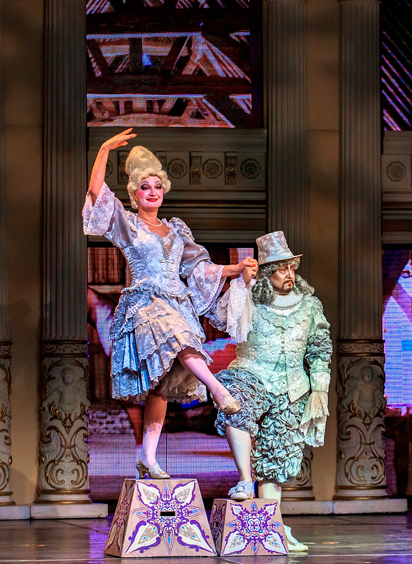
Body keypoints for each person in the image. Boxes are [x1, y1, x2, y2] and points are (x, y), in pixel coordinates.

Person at [82, 128, 257, 479]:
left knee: (162, 386)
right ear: (134, 194)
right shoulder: (128, 224)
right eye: (145, 187)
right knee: (181, 339)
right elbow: (96, 193)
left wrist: (236, 268)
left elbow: (199, 268)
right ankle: (218, 391)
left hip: (176, 301)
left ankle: (147, 457)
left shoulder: (177, 231)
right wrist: (103, 149)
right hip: (147, 304)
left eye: (157, 186)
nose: (152, 192)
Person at [211, 231, 333, 552]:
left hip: (292, 389)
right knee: (234, 402)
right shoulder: (250, 296)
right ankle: (244, 479)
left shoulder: (309, 305)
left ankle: (272, 527)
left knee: (276, 460)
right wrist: (241, 283)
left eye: (291, 267)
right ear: (266, 272)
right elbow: (221, 317)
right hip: (252, 373)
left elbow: (319, 348)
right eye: (281, 269)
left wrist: (319, 389)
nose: (289, 274)